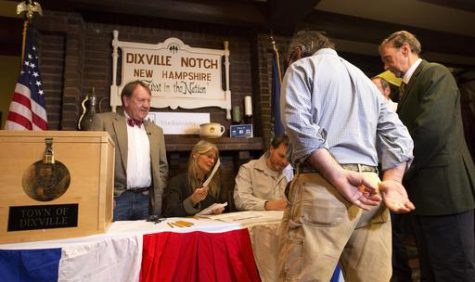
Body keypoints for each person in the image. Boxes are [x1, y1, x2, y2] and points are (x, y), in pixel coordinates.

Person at [278, 30, 415, 282]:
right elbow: (400, 136)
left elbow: (299, 127)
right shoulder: (365, 80)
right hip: (372, 188)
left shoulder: (301, 67)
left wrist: (338, 176)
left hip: (324, 184)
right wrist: (394, 181)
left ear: (296, 53)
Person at [379, 30, 475, 281]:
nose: (386, 66)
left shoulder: (435, 73)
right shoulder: (408, 86)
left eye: (388, 58)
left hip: (445, 192)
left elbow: (430, 132)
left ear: (406, 49)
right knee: (432, 268)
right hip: (426, 194)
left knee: (454, 268)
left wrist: (397, 172)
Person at [90, 80, 168, 221]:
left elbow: (162, 167)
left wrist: (158, 192)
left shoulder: (157, 131)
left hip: (146, 201)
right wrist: (105, 197)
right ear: (126, 100)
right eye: (141, 100)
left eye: (148, 101)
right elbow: (92, 164)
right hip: (116, 200)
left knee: (145, 242)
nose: (146, 105)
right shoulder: (103, 122)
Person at [164, 140, 226, 217]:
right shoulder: (177, 182)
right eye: (209, 156)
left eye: (214, 159)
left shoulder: (215, 184)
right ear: (195, 155)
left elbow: (221, 206)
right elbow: (170, 212)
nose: (212, 161)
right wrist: (192, 200)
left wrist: (218, 210)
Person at [233, 135, 293, 211]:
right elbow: (240, 200)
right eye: (281, 156)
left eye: (289, 158)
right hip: (257, 221)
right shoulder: (248, 169)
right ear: (271, 149)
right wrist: (267, 205)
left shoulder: (290, 172)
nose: (284, 162)